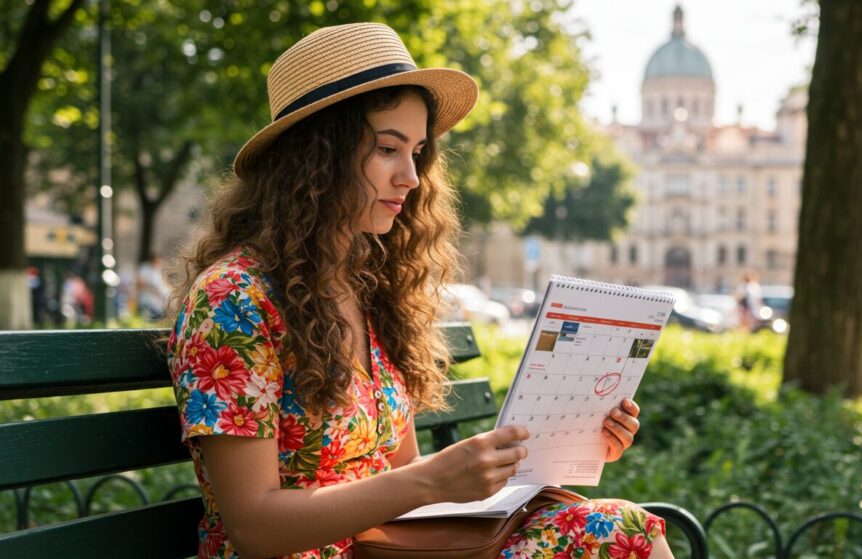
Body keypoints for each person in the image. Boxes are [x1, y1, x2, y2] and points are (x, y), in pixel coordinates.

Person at [166, 23, 671, 559]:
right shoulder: (233, 301)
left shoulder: (365, 289)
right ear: (315, 159)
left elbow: (401, 472)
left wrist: (569, 444)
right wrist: (430, 480)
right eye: (388, 148)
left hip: (388, 547)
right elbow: (254, 528)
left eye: (418, 152)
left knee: (620, 529)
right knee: (617, 535)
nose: (410, 176)